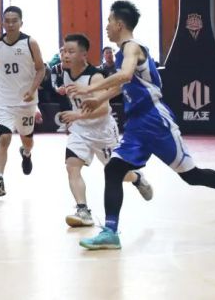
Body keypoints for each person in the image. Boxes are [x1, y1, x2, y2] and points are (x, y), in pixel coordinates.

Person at [67, 1, 215, 250]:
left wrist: (89, 89)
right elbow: (124, 85)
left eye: (109, 21)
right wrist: (99, 99)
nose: (107, 27)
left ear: (119, 24)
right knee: (113, 169)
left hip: (155, 120)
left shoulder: (131, 47)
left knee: (191, 176)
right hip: (136, 125)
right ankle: (111, 232)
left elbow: (125, 76)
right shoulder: (124, 52)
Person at [59, 33, 153, 227]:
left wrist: (77, 115)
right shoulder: (65, 72)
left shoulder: (95, 77)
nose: (66, 55)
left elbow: (102, 109)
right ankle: (83, 210)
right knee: (72, 165)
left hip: (102, 131)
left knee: (119, 174)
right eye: (64, 51)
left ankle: (136, 178)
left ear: (84, 54)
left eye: (71, 51)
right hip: (80, 130)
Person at [0, 6, 45, 197]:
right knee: (4, 137)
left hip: (26, 102)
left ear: (21, 22)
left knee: (27, 141)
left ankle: (26, 153)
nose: (11, 24)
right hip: (4, 101)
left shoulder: (30, 43)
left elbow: (41, 69)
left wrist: (32, 90)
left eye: (14, 21)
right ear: (3, 23)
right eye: (7, 21)